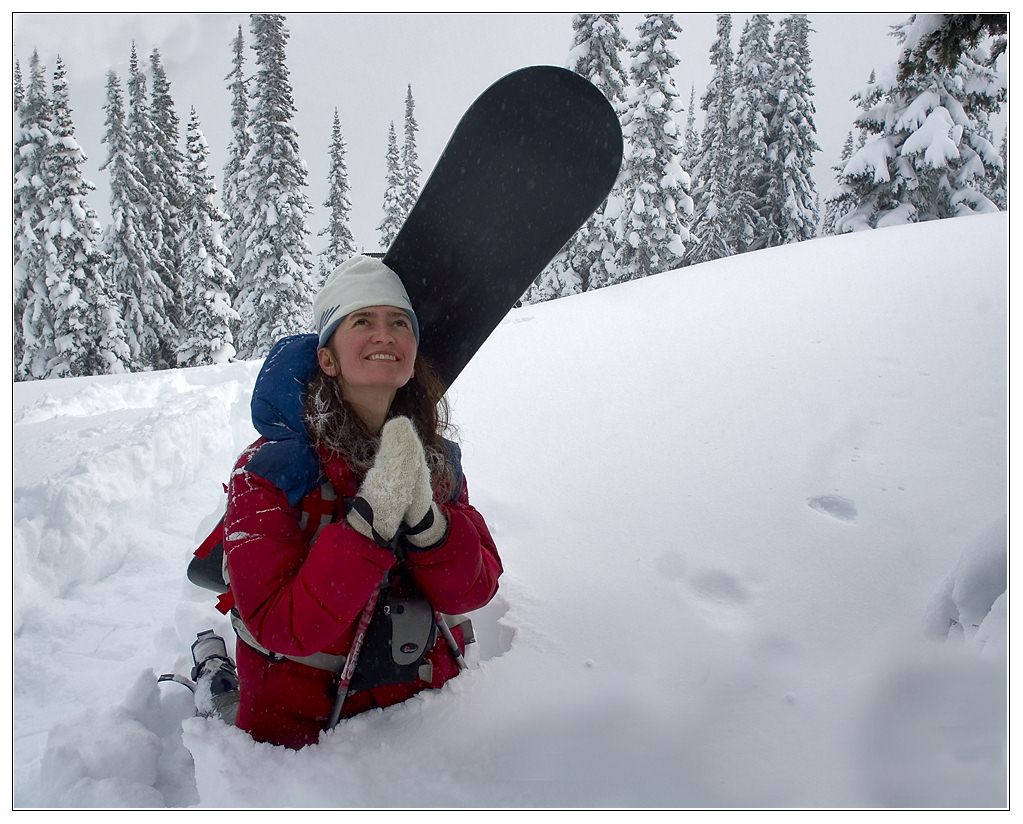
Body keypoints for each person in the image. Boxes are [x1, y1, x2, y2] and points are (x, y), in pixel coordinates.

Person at [222, 255, 503, 749]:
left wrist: (430, 527)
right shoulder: (266, 472)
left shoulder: (436, 462)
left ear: (414, 353)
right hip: (302, 746)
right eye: (362, 321)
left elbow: (473, 592)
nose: (384, 334)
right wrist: (367, 526)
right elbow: (278, 626)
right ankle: (211, 673)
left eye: (399, 322)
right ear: (327, 358)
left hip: (425, 722)